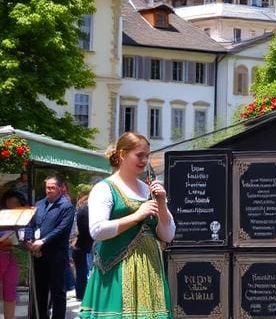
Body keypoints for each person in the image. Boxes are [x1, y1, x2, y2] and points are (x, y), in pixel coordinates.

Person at [79, 131, 175, 319]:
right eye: (139, 155)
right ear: (123, 154)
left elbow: (168, 235)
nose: (144, 160)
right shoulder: (104, 188)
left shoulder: (149, 189)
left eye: (147, 156)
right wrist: (137, 216)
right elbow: (97, 230)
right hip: (117, 270)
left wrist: (162, 204)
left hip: (150, 270)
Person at [26, 174, 75, 319]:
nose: (49, 190)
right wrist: (29, 239)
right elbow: (30, 223)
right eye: (47, 187)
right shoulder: (39, 204)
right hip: (38, 254)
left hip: (56, 256)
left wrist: (43, 241)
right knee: (40, 291)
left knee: (57, 292)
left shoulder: (67, 207)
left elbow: (62, 229)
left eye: (53, 188)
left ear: (60, 188)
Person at [0, 191, 27, 319]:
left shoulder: (24, 218)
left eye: (16, 202)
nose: (13, 205)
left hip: (14, 259)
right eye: (10, 202)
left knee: (10, 293)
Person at [72, 192, 93, 302]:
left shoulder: (82, 210)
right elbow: (84, 231)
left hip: (81, 245)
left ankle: (81, 294)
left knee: (81, 271)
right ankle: (82, 294)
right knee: (83, 271)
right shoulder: (86, 211)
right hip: (83, 246)